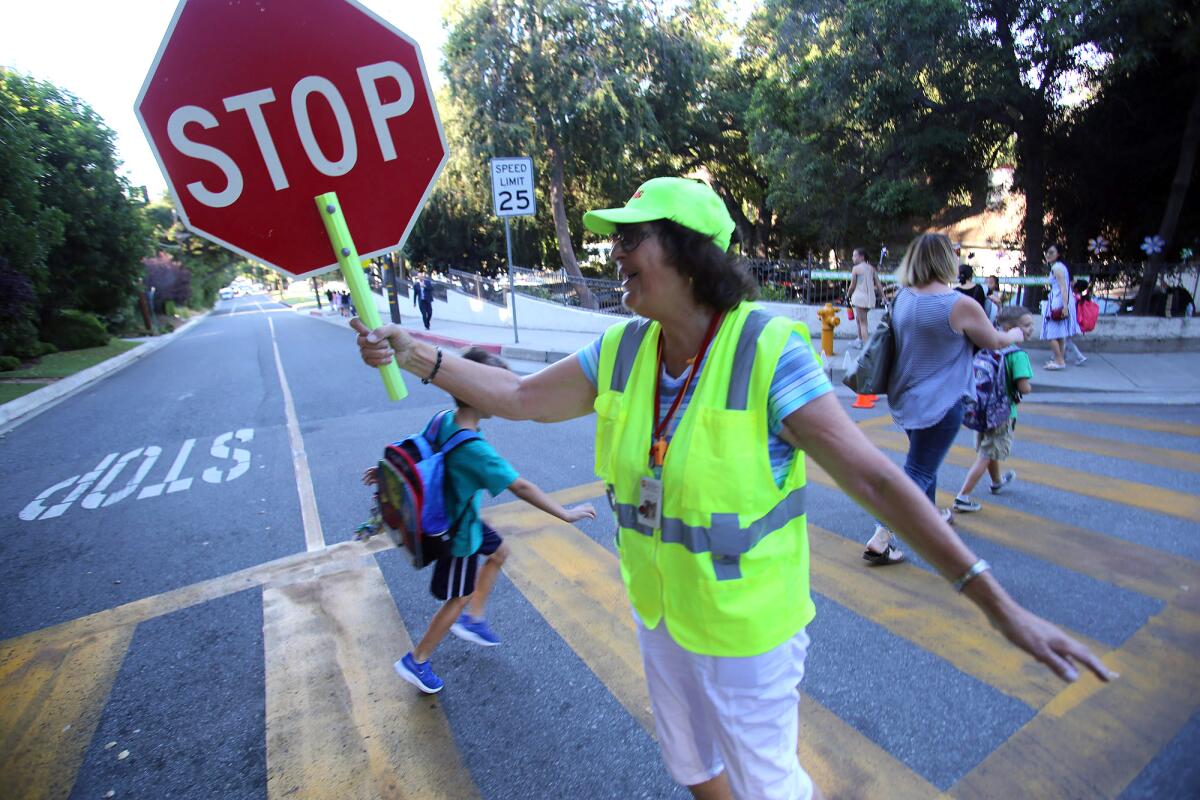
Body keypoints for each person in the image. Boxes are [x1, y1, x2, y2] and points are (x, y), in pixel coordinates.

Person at [351, 178, 1113, 800]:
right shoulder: (621, 349)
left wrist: (997, 604)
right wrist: (419, 357)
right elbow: (517, 397)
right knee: (690, 763)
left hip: (749, 630)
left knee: (766, 784)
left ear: (687, 256)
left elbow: (877, 480)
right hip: (663, 611)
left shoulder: (767, 350)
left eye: (631, 238)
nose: (615, 255)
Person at [367, 347, 597, 694]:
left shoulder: (443, 418)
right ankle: (417, 658)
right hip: (458, 536)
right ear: (480, 393)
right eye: (498, 388)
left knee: (500, 551)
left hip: (464, 515)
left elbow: (418, 450)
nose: (507, 396)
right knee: (457, 596)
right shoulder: (475, 450)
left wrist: (383, 471)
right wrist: (565, 513)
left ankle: (474, 619)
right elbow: (521, 486)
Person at [862, 233, 1027, 566]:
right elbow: (994, 341)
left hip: (906, 400)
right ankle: (882, 535)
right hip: (942, 404)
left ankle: (931, 518)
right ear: (946, 260)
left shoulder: (904, 298)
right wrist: (1016, 334)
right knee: (920, 468)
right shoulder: (959, 305)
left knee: (924, 460)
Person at [952, 305, 1036, 512]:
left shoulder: (989, 346)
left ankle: (996, 481)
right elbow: (1023, 387)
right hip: (1002, 413)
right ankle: (962, 496)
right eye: (1026, 325)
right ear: (1010, 328)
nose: (1031, 329)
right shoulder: (1018, 355)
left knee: (988, 449)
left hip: (981, 409)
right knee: (987, 454)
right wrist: (1028, 387)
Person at [1041, 244, 1083, 370]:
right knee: (1059, 333)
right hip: (1059, 300)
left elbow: (1064, 288)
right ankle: (1059, 359)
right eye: (1047, 252)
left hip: (1057, 302)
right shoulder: (1060, 267)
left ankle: (1059, 361)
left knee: (1051, 334)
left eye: (1051, 252)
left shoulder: (1057, 268)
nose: (1048, 255)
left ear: (1058, 254)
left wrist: (1064, 306)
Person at [844, 247, 884, 341]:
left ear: (861, 257)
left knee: (863, 323)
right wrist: (884, 297)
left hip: (860, 299)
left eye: (854, 256)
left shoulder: (856, 269)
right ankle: (859, 339)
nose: (852, 258)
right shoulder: (871, 268)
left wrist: (848, 295)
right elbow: (878, 284)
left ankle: (865, 347)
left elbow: (852, 285)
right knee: (859, 319)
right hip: (870, 299)